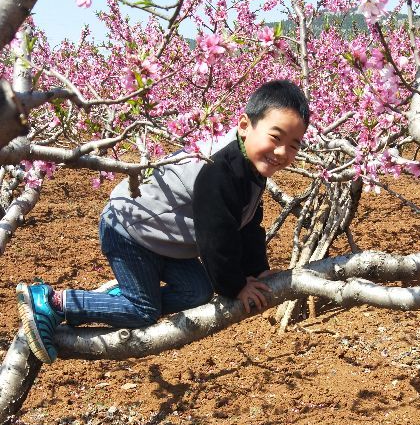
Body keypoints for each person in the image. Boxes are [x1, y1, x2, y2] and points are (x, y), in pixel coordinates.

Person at [16, 79, 309, 365]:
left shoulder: (250, 166)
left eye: (293, 145)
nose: (282, 152)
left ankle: (121, 297)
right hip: (130, 228)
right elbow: (217, 238)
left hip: (158, 236)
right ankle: (54, 302)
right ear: (245, 126)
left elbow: (247, 225)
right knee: (143, 310)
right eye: (275, 137)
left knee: (198, 291)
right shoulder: (220, 170)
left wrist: (258, 271)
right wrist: (236, 287)